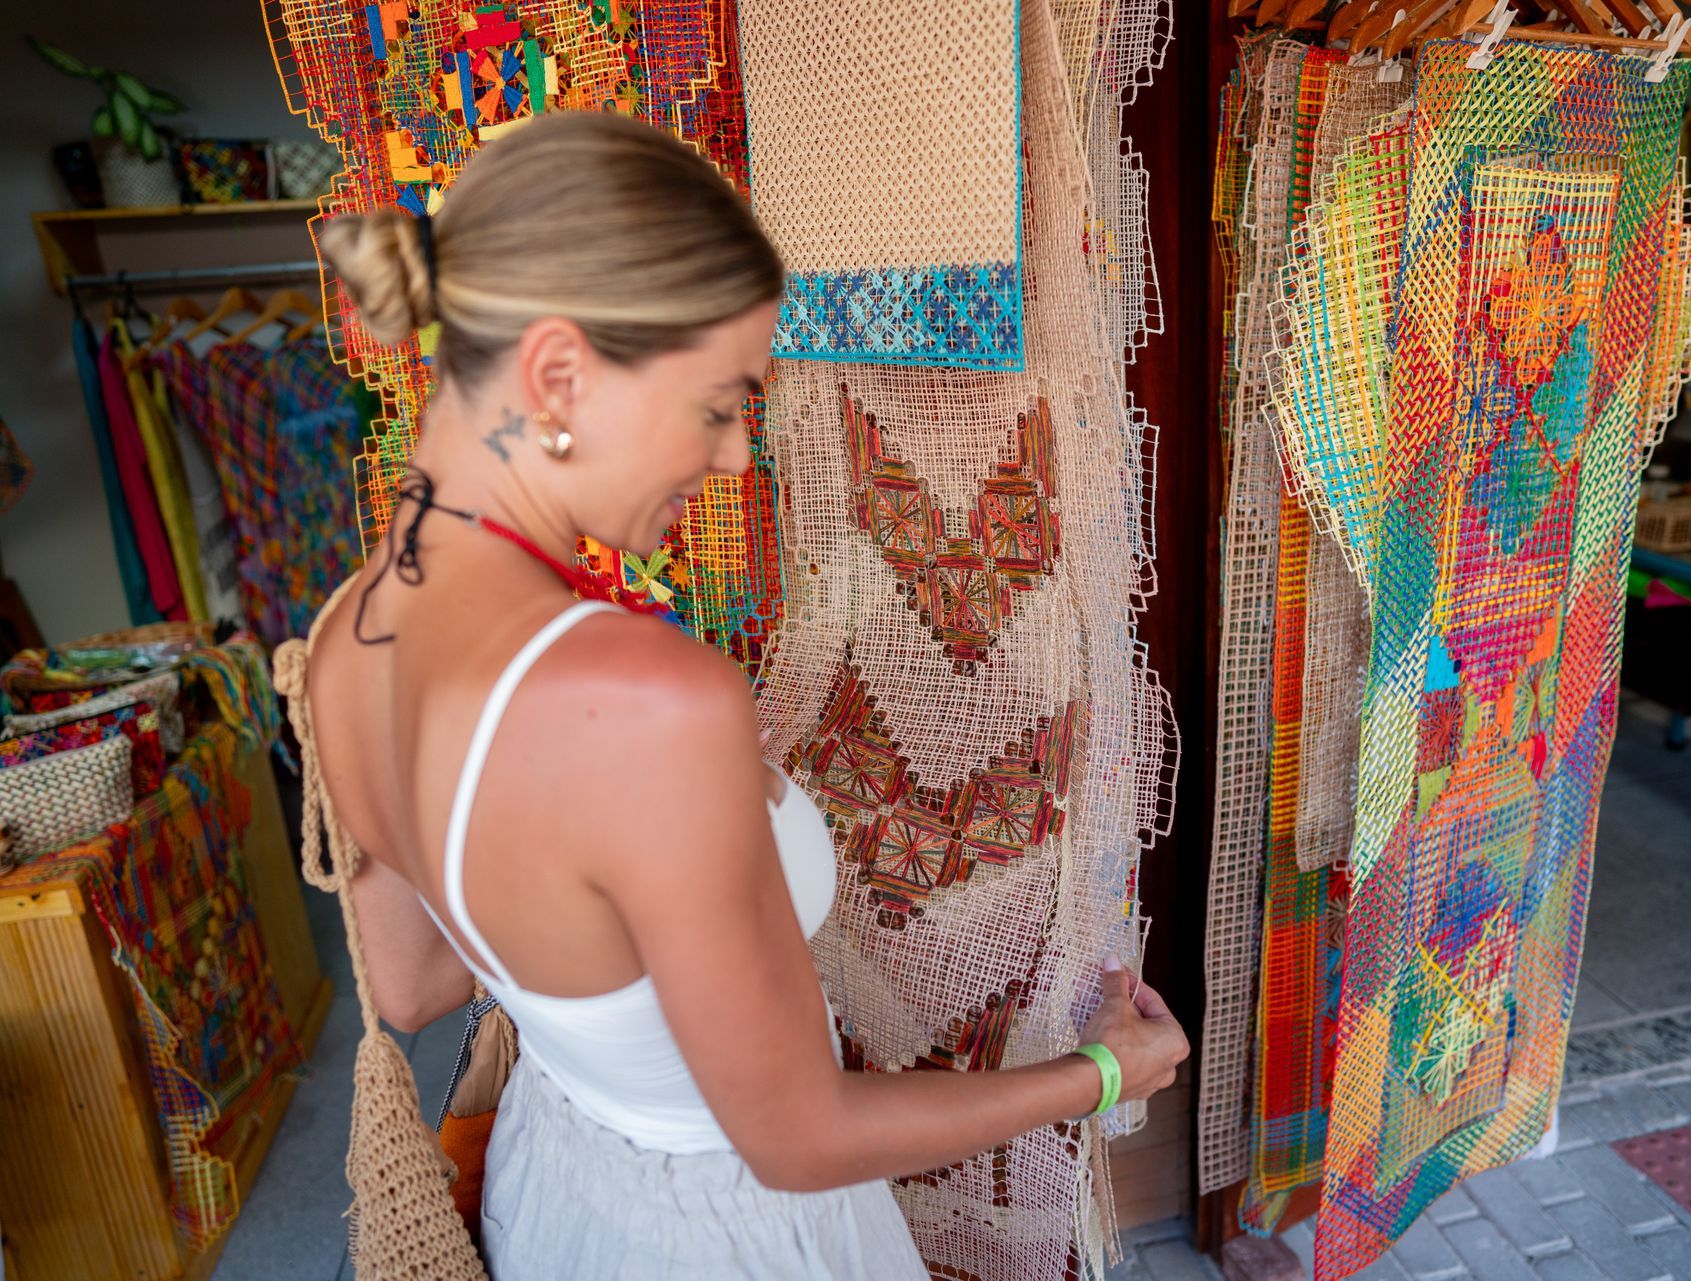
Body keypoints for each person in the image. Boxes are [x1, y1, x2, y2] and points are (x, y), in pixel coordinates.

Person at [303, 111, 1189, 1279]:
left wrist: (629, 884)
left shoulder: (346, 638)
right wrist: (1105, 1073)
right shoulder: (652, 702)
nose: (732, 457)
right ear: (560, 372)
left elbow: (413, 984)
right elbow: (799, 1138)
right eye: (720, 402)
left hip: (563, 1189)